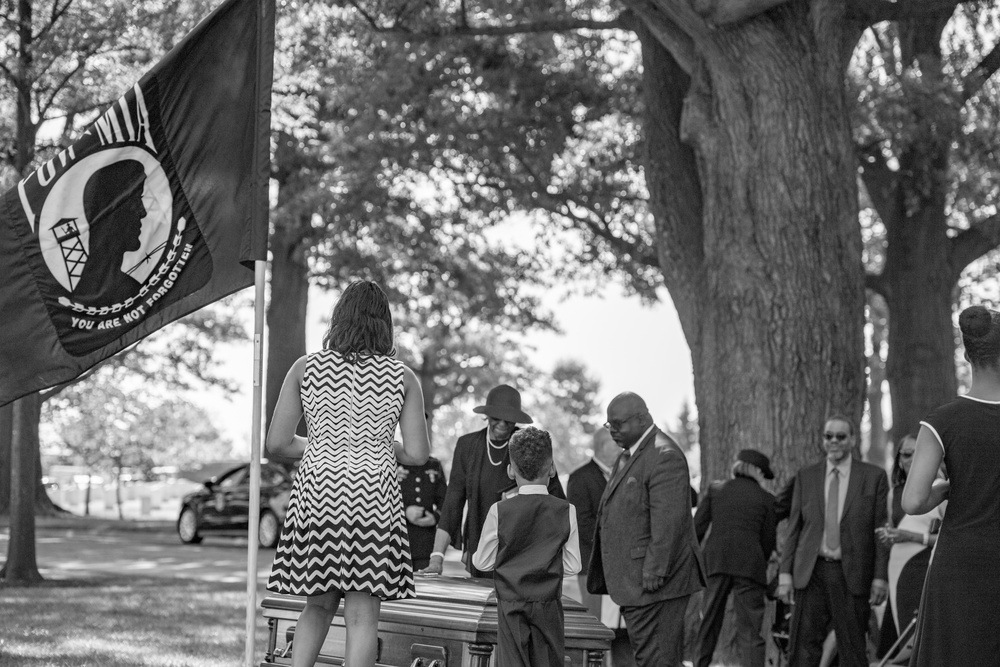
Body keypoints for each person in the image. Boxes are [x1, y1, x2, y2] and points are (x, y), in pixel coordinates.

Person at [265, 280, 430, 667]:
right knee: (362, 615)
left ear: (339, 318)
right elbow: (419, 455)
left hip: (319, 496)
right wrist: (373, 446)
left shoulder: (306, 367)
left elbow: (276, 443)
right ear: (384, 324)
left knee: (317, 605)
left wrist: (326, 444)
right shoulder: (402, 377)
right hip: (373, 501)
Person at [902, 304, 1000, 666]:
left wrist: (946, 486)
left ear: (966, 354)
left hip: (961, 564)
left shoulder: (943, 421)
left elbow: (912, 502)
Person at [587, 392, 706, 667]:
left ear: (643, 418)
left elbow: (669, 521)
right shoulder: (629, 454)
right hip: (636, 584)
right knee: (649, 658)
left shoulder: (664, 455)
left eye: (618, 424)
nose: (613, 430)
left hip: (656, 584)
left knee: (658, 660)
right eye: (609, 425)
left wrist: (655, 569)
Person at [775, 415, 889, 667]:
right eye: (829, 436)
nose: (834, 441)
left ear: (852, 440)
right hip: (811, 571)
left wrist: (880, 577)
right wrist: (785, 574)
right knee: (803, 648)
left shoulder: (874, 477)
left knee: (852, 649)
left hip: (853, 573)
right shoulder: (807, 476)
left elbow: (880, 530)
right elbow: (794, 528)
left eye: (840, 436)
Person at [421, 384, 565, 578]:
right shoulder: (467, 445)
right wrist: (436, 558)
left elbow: (556, 502)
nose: (503, 424)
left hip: (523, 549)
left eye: (509, 420)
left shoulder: (529, 445)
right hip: (480, 547)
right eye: (497, 418)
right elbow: (452, 503)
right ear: (487, 416)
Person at [472, 426, 582, 667]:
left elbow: (482, 562)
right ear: (552, 468)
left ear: (511, 471)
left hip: (511, 604)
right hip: (549, 605)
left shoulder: (499, 511)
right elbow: (573, 566)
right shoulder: (567, 510)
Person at [693, 449, 777, 667]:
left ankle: (700, 664)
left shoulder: (717, 489)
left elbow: (697, 529)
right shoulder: (767, 499)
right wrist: (762, 561)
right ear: (757, 471)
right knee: (750, 631)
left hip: (716, 562)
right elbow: (767, 541)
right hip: (750, 566)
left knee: (708, 623)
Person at [874, 433, 944, 659]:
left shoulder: (941, 489)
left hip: (925, 568)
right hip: (896, 569)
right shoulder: (894, 493)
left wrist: (912, 537)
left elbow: (947, 539)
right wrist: (889, 535)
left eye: (917, 453)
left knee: (921, 632)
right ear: (898, 459)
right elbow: (894, 529)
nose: (911, 459)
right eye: (906, 454)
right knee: (901, 629)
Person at [77, 160, 147, 304]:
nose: (143, 212)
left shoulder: (134, 292)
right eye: (136, 200)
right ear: (110, 211)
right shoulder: (79, 293)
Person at [566, 427, 619, 619]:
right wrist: (612, 543)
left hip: (618, 565)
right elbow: (582, 522)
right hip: (591, 563)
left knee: (617, 623)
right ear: (603, 446)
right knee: (595, 620)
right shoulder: (580, 478)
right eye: (616, 445)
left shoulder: (621, 474)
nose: (621, 449)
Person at [397, 452, 447, 571]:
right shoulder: (395, 462)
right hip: (399, 538)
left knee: (426, 582)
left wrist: (435, 518)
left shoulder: (433, 465)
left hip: (426, 542)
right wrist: (404, 511)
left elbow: (445, 500)